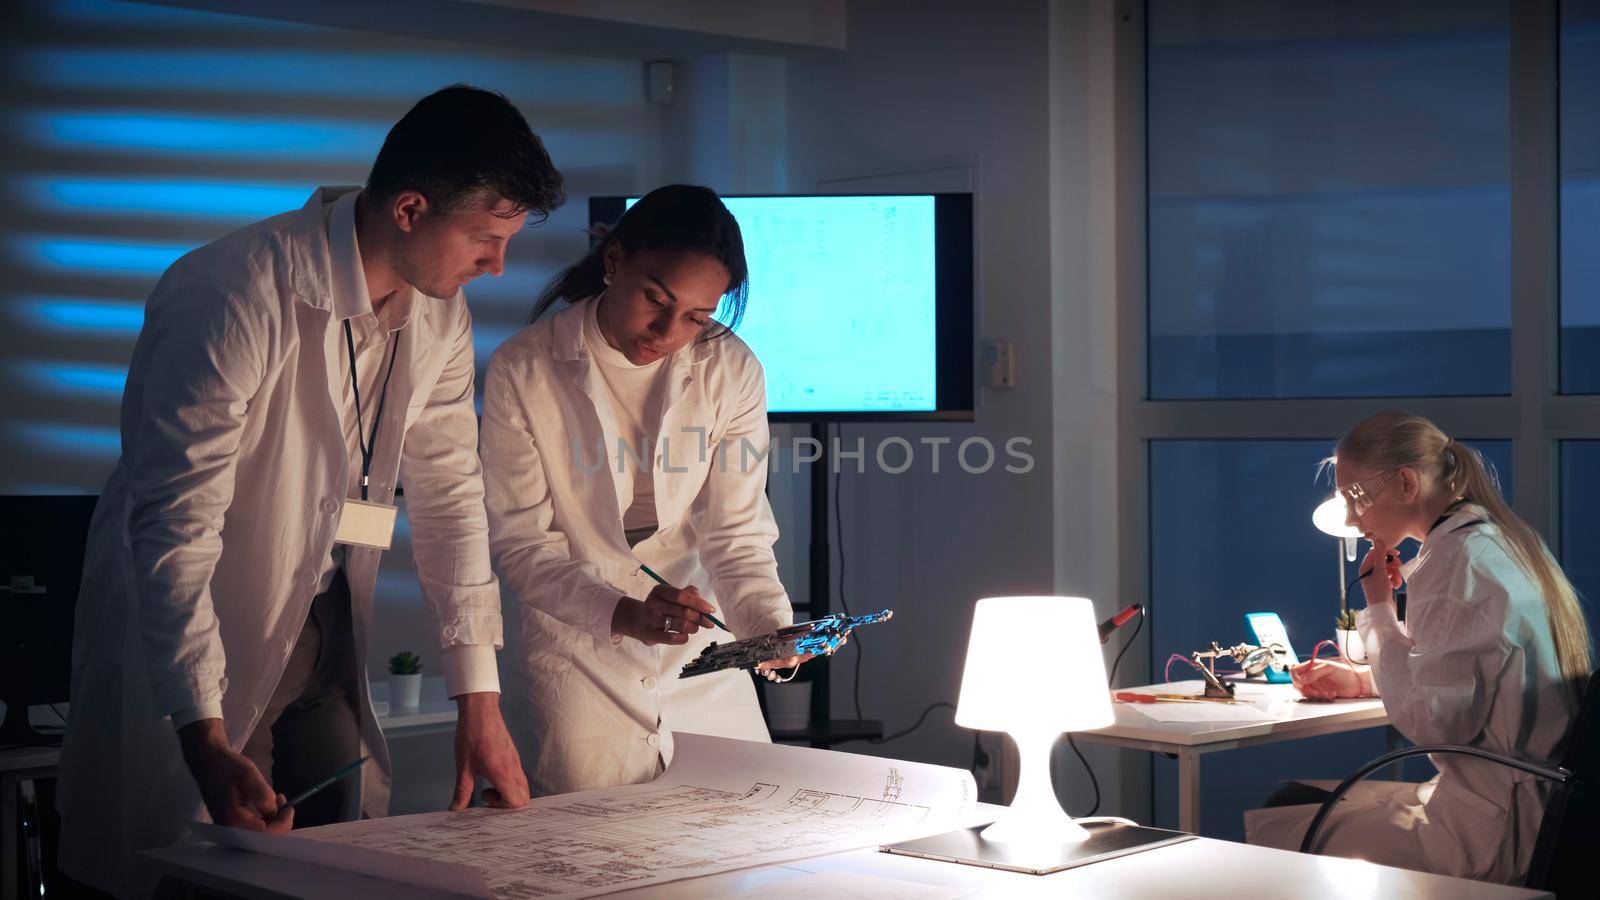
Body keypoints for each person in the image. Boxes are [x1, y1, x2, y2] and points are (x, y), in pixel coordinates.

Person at [56, 85, 564, 897]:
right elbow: (175, 528)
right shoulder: (233, 291)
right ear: (408, 209)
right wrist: (200, 736)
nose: (496, 265)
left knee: (341, 865)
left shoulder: (440, 313)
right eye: (484, 239)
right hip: (215, 633)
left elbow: (450, 496)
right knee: (215, 870)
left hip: (327, 628)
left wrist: (480, 701)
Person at [480, 184, 807, 796]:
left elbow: (735, 532)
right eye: (655, 299)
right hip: (578, 656)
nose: (667, 329)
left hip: (698, 653)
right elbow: (523, 546)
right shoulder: (524, 369)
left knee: (737, 838)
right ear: (613, 261)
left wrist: (767, 630)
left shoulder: (731, 369)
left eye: (696, 317)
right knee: (591, 856)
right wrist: (623, 614)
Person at [1244, 409, 1593, 884]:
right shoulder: (1494, 541)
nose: (1349, 517)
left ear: (1407, 484)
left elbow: (1430, 724)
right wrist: (1365, 678)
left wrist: (1380, 609)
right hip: (1526, 802)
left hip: (1496, 832)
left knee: (1284, 823)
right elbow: (1480, 672)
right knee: (1293, 801)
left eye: (1355, 497)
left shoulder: (1455, 568)